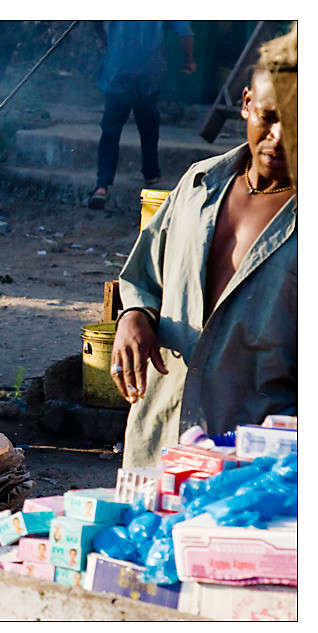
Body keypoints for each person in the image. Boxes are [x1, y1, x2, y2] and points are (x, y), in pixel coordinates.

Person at [111, 52, 297, 469]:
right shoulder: (198, 185)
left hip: (257, 466)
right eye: (269, 116)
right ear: (246, 103)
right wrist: (134, 316)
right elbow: (143, 278)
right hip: (159, 440)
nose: (281, 136)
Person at [87, 21, 196, 210]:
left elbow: (95, 20)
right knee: (148, 123)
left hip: (118, 69)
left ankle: (102, 186)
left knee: (111, 128)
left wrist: (104, 40)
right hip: (150, 72)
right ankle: (151, 173)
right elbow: (185, 31)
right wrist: (188, 59)